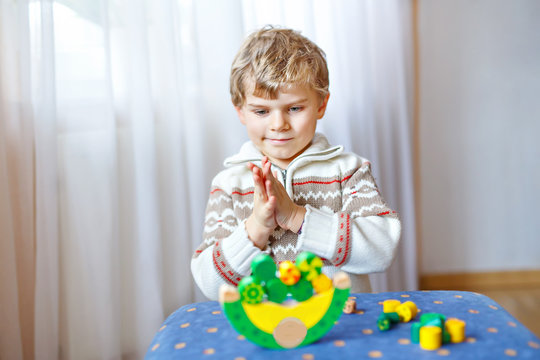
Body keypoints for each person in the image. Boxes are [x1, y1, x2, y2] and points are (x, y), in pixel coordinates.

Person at [191, 26, 401, 300]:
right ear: (240, 111)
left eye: (294, 108)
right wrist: (256, 227)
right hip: (261, 331)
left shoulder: (348, 171)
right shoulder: (229, 184)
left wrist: (297, 217)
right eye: (262, 111)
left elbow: (382, 250)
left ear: (321, 104)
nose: (279, 124)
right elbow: (209, 282)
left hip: (339, 326)